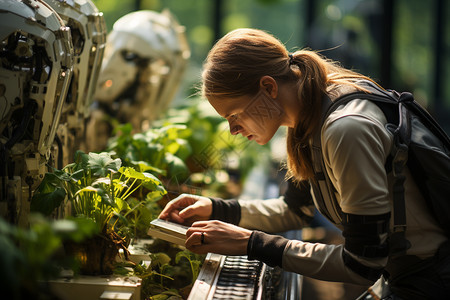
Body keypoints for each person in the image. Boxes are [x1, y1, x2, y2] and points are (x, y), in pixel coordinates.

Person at [158, 28, 450, 299]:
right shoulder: (313, 112)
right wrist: (216, 208)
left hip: (433, 281)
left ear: (268, 87)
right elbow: (296, 211)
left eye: (234, 115)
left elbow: (362, 262)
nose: (233, 130)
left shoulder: (345, 129)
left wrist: (249, 242)